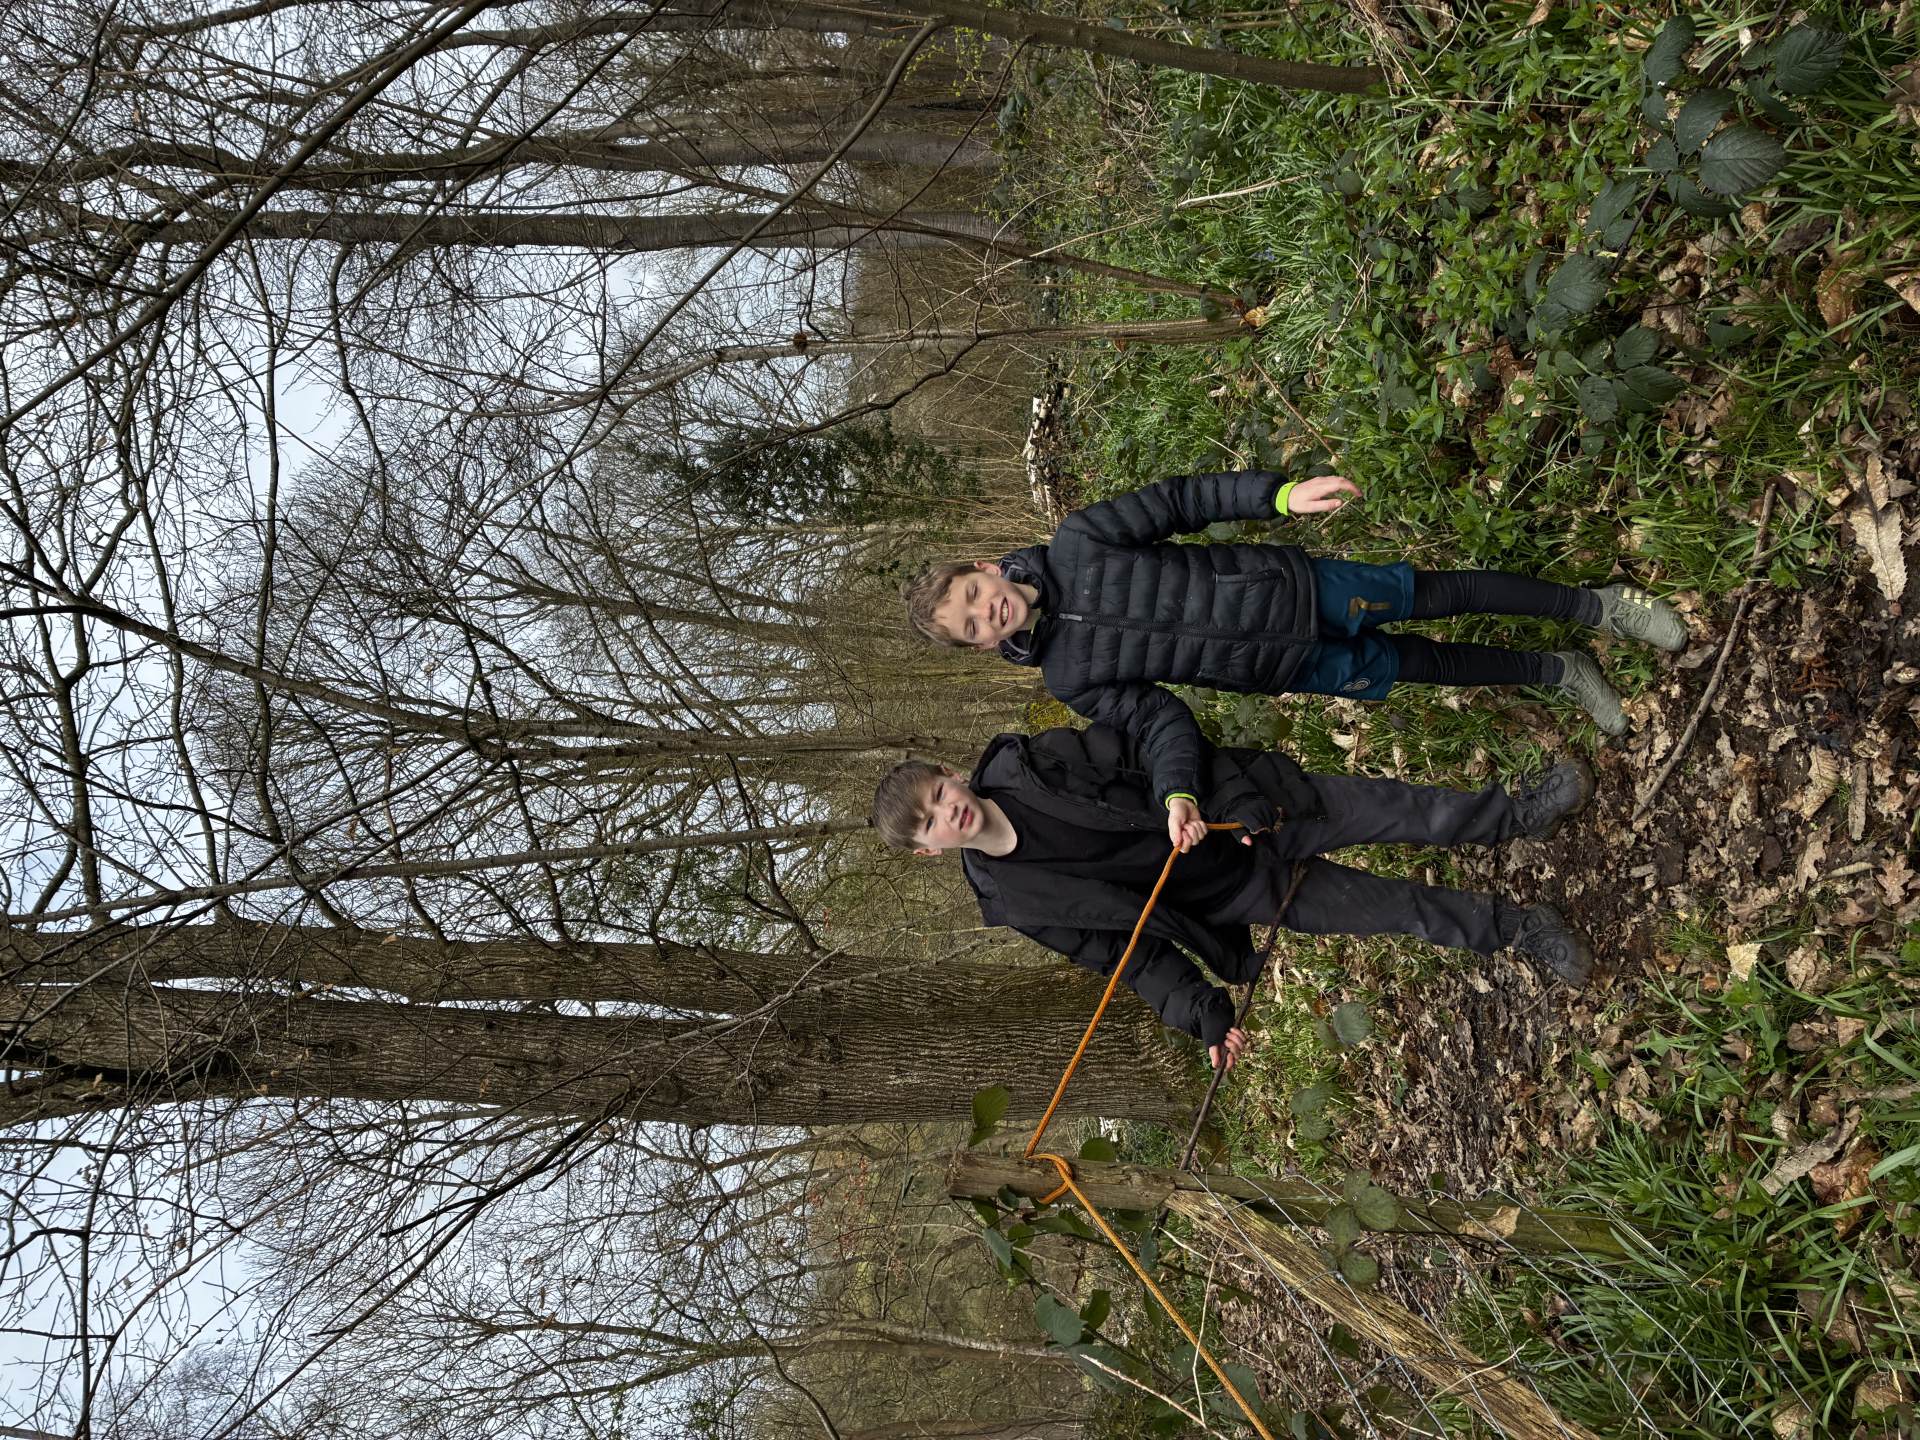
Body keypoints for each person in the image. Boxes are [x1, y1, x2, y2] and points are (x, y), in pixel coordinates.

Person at [902, 470, 1686, 848]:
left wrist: (1277, 497)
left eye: (974, 594)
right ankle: (1562, 673)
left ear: (987, 569)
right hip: (1283, 669)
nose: (986, 612)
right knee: (1425, 667)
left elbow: (1183, 502)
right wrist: (1177, 791)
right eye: (971, 628)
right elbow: (1158, 717)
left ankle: (1597, 607)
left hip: (1296, 590)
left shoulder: (1080, 539)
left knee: (1440, 595)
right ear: (980, 647)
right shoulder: (1068, 678)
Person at [870, 723, 1598, 1068]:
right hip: (1244, 893)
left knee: (1408, 811)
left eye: (938, 794)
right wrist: (1202, 1013)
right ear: (929, 851)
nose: (946, 813)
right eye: (929, 824)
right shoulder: (1018, 903)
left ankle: (1519, 815)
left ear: (949, 775)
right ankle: (1520, 928)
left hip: (1254, 811)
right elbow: (1128, 955)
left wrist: (1212, 796)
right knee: (1395, 910)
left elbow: (1152, 743)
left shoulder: (1035, 765)